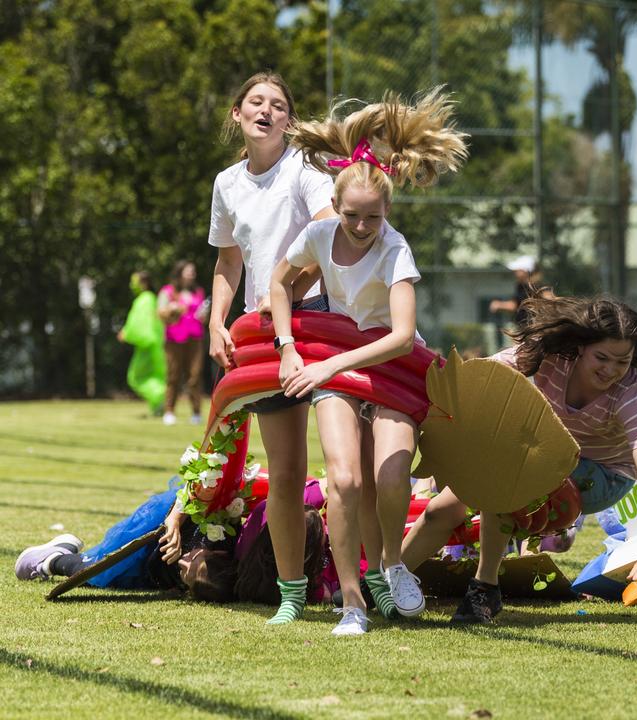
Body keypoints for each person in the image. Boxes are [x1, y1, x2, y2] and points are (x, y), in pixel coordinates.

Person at [270, 88, 468, 636]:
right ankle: (353, 603)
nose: (361, 227)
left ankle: (392, 564)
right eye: (352, 216)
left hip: (391, 369)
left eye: (372, 218)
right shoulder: (318, 234)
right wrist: (288, 344)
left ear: (387, 211)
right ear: (336, 207)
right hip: (334, 362)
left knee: (391, 475)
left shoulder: (394, 249)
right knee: (343, 480)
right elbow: (280, 284)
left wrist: (328, 367)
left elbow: (403, 337)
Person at [401, 292, 637, 623]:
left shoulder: (629, 391)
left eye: (623, 361)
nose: (611, 370)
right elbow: (482, 376)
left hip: (604, 478)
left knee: (510, 468)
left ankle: (484, 588)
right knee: (441, 510)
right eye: (602, 358)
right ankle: (385, 581)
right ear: (580, 347)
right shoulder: (550, 356)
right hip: (548, 455)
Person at [207, 71, 337, 626]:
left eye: (278, 105)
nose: (267, 110)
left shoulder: (304, 171)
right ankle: (291, 591)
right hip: (261, 339)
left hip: (323, 325)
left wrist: (290, 291)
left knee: (346, 468)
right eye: (256, 102)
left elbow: (335, 230)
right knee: (286, 472)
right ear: (237, 113)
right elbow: (228, 260)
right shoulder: (227, 183)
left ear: (290, 120)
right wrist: (217, 320)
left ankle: (369, 583)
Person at [15, 479, 330, 605]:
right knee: (103, 571)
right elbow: (219, 477)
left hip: (182, 555)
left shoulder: (300, 578)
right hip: (186, 528)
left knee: (102, 573)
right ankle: (54, 559)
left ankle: (53, 558)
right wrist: (176, 521)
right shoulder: (269, 521)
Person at [158, 260, 208, 426]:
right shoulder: (168, 292)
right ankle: (169, 411)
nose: (192, 274)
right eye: (189, 271)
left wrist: (204, 315)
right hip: (174, 339)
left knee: (194, 376)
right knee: (173, 375)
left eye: (193, 271)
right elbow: (161, 312)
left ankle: (196, 412)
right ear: (180, 273)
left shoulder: (198, 292)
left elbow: (204, 316)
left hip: (194, 338)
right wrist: (173, 309)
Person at [119, 271, 167, 415]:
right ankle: (159, 405)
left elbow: (141, 324)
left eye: (134, 281)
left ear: (144, 283)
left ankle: (160, 397)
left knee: (135, 377)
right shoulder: (151, 298)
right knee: (155, 375)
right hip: (154, 344)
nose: (132, 285)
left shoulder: (144, 299)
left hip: (147, 344)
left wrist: (126, 334)